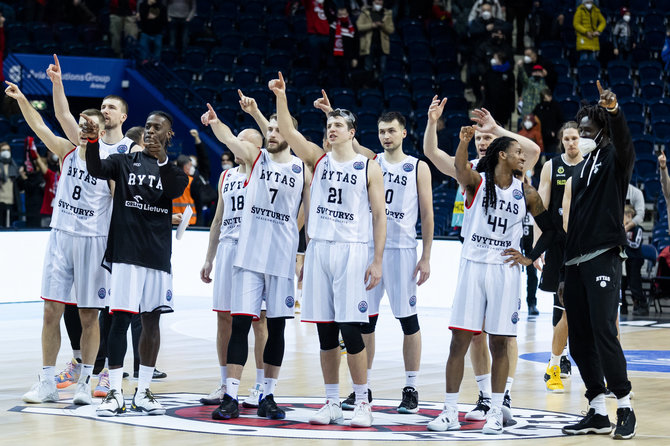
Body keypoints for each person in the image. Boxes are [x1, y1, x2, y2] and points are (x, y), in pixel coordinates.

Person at [269, 72, 385, 428]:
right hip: (319, 250)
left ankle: (362, 402)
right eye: (329, 124)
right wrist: (282, 97)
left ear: (352, 132)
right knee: (325, 331)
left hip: (352, 250)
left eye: (339, 125)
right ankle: (332, 402)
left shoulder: (368, 165)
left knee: (351, 331)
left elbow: (380, 215)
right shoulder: (317, 159)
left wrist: (377, 260)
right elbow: (288, 132)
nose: (332, 129)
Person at [427, 125, 555, 434]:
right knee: (460, 340)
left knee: (500, 342)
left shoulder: (525, 191)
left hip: (504, 271)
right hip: (473, 267)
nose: (522, 156)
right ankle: (450, 411)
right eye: (517, 153)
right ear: (503, 155)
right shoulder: (477, 182)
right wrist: (462, 141)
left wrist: (529, 256)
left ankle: (496, 411)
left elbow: (551, 228)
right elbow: (459, 168)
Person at [310, 92, 433, 414]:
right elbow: (342, 146)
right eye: (381, 132)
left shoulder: (416, 166)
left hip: (403, 251)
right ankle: (361, 390)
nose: (386, 136)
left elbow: (429, 214)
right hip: (367, 250)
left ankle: (411, 387)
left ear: (404, 132)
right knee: (364, 323)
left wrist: (427, 255)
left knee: (408, 321)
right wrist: (329, 114)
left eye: (391, 130)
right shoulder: (371, 161)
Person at [200, 96, 310, 421]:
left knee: (276, 330)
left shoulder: (301, 168)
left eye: (279, 129)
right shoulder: (257, 157)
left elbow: (310, 213)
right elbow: (231, 140)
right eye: (270, 128)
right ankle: (231, 394)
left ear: (289, 134)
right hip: (248, 259)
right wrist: (216, 124)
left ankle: (267, 394)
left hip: (281, 262)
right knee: (239, 326)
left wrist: (304, 254)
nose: (273, 133)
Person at [6, 81, 112, 407]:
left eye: (89, 126)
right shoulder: (66, 152)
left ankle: (87, 380)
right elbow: (41, 123)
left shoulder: (111, 160)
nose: (82, 130)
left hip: (93, 241)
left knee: (89, 315)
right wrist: (26, 98)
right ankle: (47, 381)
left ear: (101, 130)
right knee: (51, 310)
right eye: (81, 126)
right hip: (60, 236)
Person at [86, 110, 188, 416]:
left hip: (157, 257)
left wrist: (161, 161)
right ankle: (115, 392)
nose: (150, 131)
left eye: (157, 128)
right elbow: (95, 168)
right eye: (147, 126)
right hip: (126, 254)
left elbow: (173, 190)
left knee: (151, 322)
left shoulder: (174, 170)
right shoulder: (123, 161)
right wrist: (93, 140)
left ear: (169, 135)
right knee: (119, 319)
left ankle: (143, 391)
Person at [560, 81, 636, 439]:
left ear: (601, 131)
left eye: (588, 131)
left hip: (603, 255)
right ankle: (596, 410)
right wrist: (563, 271)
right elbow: (573, 222)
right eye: (579, 131)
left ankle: (625, 407)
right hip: (575, 262)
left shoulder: (614, 160)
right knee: (579, 340)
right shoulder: (580, 167)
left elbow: (625, 143)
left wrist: (614, 111)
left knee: (605, 331)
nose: (582, 135)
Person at [199, 128, 271, 409]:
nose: (236, 145)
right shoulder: (226, 176)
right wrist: (209, 257)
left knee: (259, 321)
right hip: (228, 249)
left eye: (243, 142)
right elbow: (218, 219)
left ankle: (262, 386)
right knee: (224, 319)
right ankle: (226, 383)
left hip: (253, 251)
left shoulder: (263, 172)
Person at [534, 121, 581, 393]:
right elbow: (540, 205)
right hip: (558, 244)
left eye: (575, 138)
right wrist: (537, 247)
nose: (571, 143)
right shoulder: (552, 166)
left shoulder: (589, 165)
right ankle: (561, 358)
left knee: (576, 304)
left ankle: (569, 355)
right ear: (561, 141)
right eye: (567, 139)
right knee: (558, 301)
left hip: (583, 242)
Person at [47, 54, 136, 155]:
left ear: (123, 117)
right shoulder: (86, 139)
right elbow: (63, 114)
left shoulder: (132, 148)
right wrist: (57, 82)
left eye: (112, 107)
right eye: (103, 107)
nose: (105, 111)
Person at [357, 0, 394, 80]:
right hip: (369, 44)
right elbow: (359, 26)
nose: (379, 5)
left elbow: (391, 30)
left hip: (382, 45)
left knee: (382, 68)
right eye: (377, 3)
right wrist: (371, 25)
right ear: (373, 2)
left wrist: (382, 26)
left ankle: (380, 87)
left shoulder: (387, 13)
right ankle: (368, 86)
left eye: (380, 3)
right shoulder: (365, 13)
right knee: (368, 68)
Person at [482, 52, 515, 129]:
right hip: (491, 103)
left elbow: (511, 90)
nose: (493, 60)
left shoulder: (509, 73)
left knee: (501, 125)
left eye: (495, 58)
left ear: (500, 60)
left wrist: (511, 106)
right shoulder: (490, 70)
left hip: (503, 104)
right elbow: (485, 84)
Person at [622, 205, 646, 316]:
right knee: (624, 283)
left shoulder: (638, 229)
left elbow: (636, 244)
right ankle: (624, 306)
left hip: (636, 259)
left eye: (623, 216)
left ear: (629, 215)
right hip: (627, 259)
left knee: (635, 283)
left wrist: (624, 239)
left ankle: (642, 305)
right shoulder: (623, 229)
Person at [533, 89, 564, 154]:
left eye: (547, 97)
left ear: (550, 96)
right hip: (540, 136)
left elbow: (561, 121)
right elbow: (534, 119)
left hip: (552, 137)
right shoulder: (538, 107)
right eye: (544, 98)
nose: (546, 100)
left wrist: (555, 132)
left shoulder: (555, 106)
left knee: (550, 156)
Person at [139, 0, 168, 65]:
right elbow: (142, 18)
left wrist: (154, 16)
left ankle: (156, 62)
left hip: (157, 32)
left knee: (158, 47)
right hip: (145, 32)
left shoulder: (162, 7)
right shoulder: (143, 5)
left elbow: (164, 20)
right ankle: (144, 61)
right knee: (143, 47)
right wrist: (147, 6)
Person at [172, 155, 197, 226]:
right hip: (189, 220)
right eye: (190, 165)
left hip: (173, 218)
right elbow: (198, 202)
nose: (191, 168)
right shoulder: (191, 181)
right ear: (185, 166)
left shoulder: (170, 179)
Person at [0, 141, 19, 227]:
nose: (6, 152)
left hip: (11, 203)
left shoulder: (14, 166)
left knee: (9, 229)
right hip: (0, 201)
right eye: (3, 150)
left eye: (8, 150)